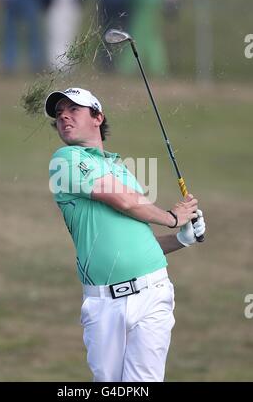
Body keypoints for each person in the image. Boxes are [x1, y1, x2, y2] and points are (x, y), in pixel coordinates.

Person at [45, 87, 206, 382]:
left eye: (73, 110)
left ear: (97, 117)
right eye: (58, 114)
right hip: (102, 303)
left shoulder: (120, 168)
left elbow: (136, 240)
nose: (63, 117)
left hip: (153, 292)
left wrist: (181, 239)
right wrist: (172, 218)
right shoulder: (64, 160)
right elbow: (125, 201)